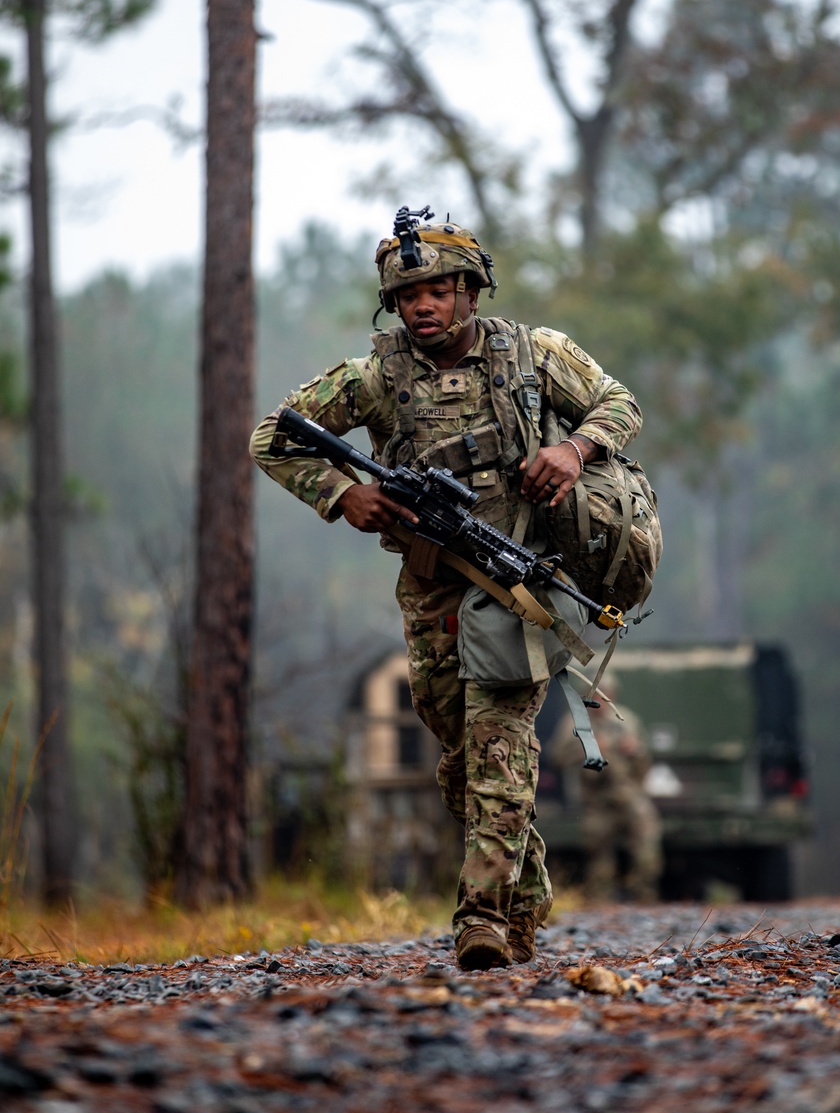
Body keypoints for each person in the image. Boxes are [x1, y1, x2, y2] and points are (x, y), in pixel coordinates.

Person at [250, 211, 642, 971]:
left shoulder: (535, 355)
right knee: (461, 755)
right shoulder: (373, 378)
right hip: (430, 587)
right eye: (406, 296)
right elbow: (273, 436)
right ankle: (525, 893)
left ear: (469, 291)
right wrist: (340, 494)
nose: (421, 306)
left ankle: (481, 919)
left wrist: (571, 449)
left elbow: (619, 404)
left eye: (436, 290)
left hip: (517, 577)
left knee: (499, 745)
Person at [550, 674, 662, 903]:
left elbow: (645, 762)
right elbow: (557, 757)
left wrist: (635, 751)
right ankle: (601, 903)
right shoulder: (575, 723)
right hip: (596, 798)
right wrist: (588, 749)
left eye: (606, 694)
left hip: (628, 794)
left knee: (647, 843)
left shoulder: (626, 720)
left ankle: (645, 896)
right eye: (597, 694)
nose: (602, 699)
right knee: (599, 853)